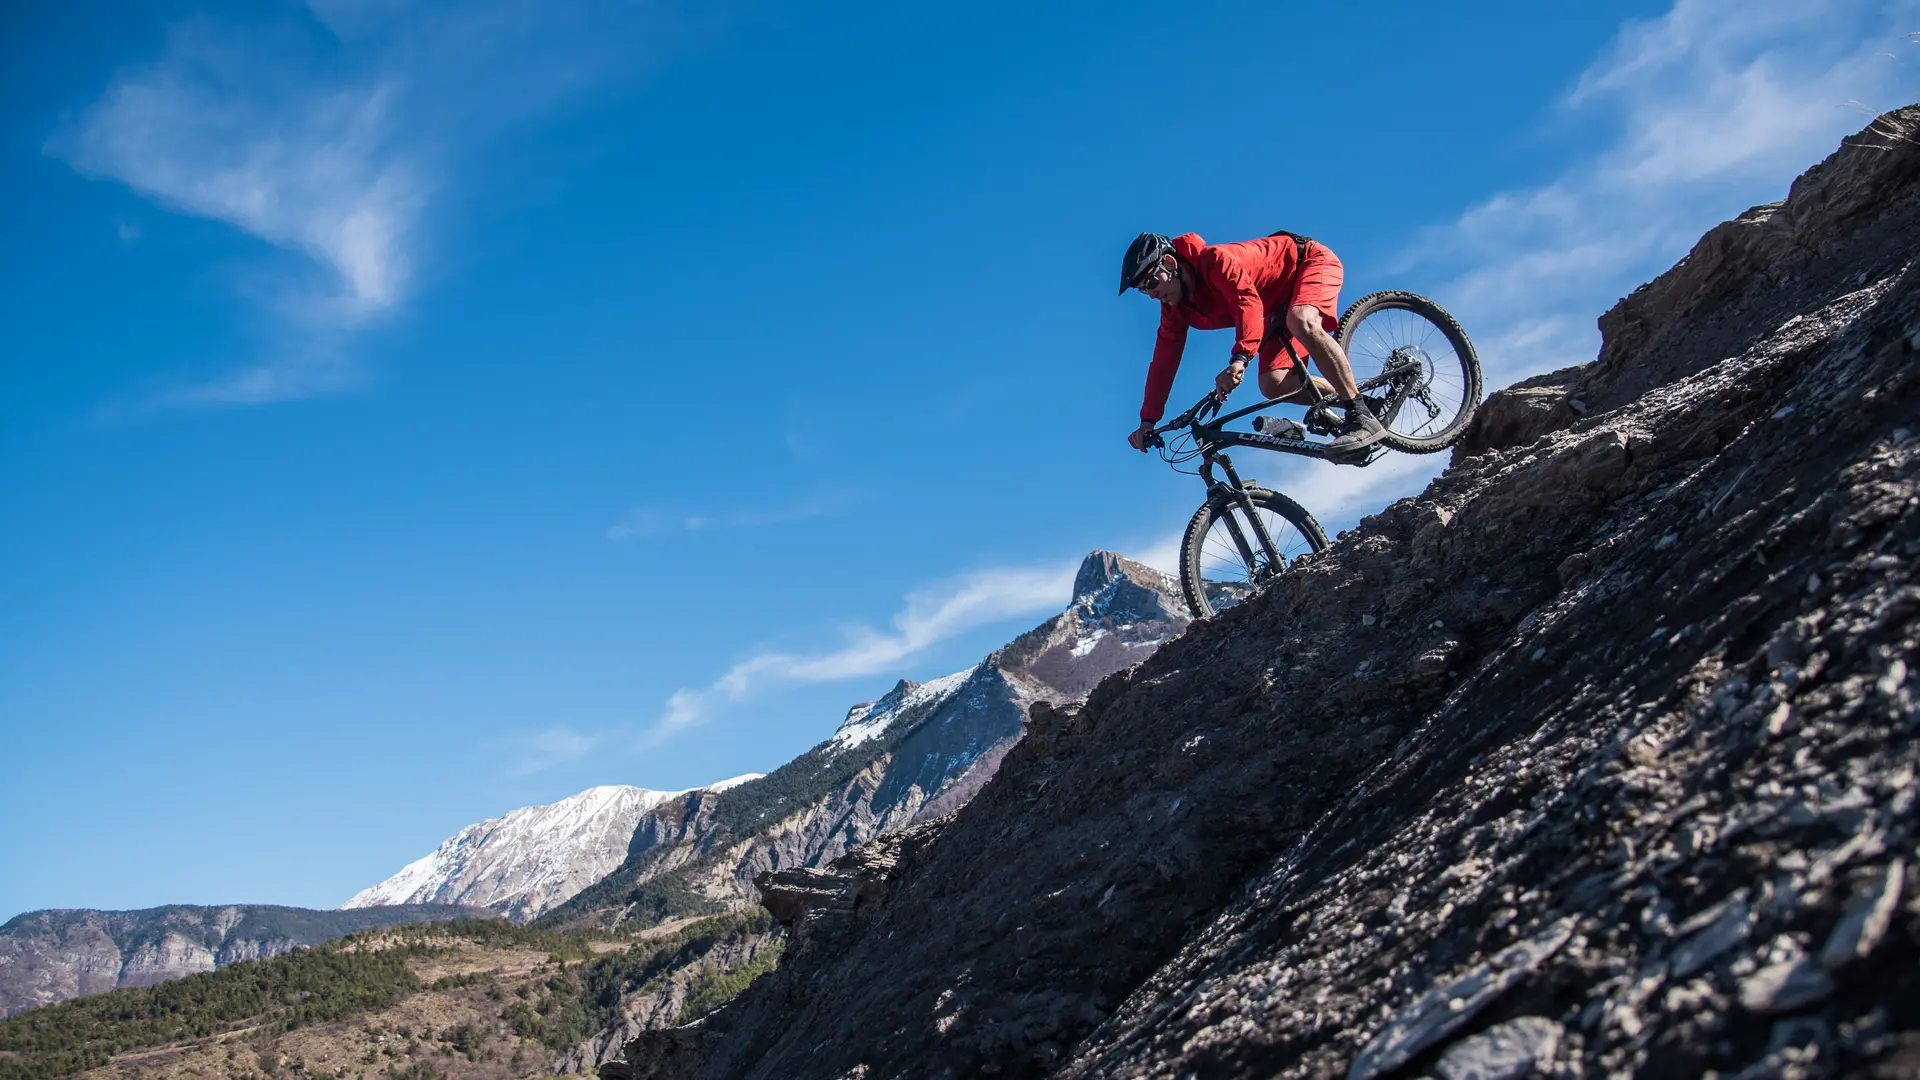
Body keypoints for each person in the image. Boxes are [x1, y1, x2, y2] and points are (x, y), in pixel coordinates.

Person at [1119, 231, 1384, 459]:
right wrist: (1148, 421)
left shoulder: (1214, 261)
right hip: (1275, 306)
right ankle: (1370, 405)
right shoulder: (1173, 308)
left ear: (1169, 263)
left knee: (1301, 319)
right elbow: (1163, 362)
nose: (1152, 294)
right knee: (1274, 384)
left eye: (1152, 282)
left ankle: (1360, 414)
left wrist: (1240, 359)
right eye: (1144, 290)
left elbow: (1247, 303)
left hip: (1308, 263)